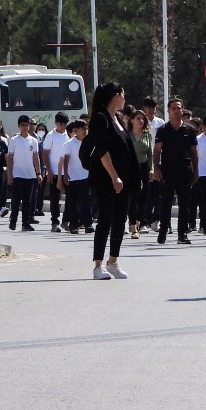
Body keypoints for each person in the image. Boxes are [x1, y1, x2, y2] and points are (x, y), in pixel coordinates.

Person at [87, 82, 138, 280]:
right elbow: (103, 150)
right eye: (123, 94)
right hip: (106, 178)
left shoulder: (118, 118)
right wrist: (114, 176)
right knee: (105, 219)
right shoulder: (101, 118)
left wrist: (133, 177)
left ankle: (113, 261)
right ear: (116, 96)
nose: (125, 98)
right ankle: (98, 265)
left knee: (119, 220)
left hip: (123, 180)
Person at [152, 98, 199, 245]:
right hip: (167, 171)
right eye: (173, 108)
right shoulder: (163, 130)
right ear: (168, 110)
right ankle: (163, 232)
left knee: (184, 204)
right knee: (165, 203)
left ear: (182, 110)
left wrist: (196, 171)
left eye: (179, 108)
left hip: (185, 170)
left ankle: (182, 234)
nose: (176, 110)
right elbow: (157, 151)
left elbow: (194, 152)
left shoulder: (189, 130)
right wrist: (156, 168)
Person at [7, 115, 43, 232]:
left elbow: (36, 157)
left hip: (30, 174)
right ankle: (13, 221)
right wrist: (9, 174)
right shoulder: (14, 140)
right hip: (17, 173)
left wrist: (38, 173)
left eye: (27, 125)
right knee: (16, 199)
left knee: (28, 200)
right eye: (23, 125)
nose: (25, 127)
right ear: (19, 126)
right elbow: (10, 158)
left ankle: (25, 223)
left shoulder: (34, 140)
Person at [59, 120, 92, 234]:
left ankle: (88, 224)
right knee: (73, 202)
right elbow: (66, 160)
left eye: (86, 128)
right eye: (83, 129)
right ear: (76, 130)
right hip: (72, 177)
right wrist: (65, 174)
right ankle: (74, 225)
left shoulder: (89, 142)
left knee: (86, 200)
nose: (85, 131)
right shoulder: (69, 144)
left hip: (86, 176)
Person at [41, 112, 72, 232]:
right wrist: (49, 170)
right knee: (54, 198)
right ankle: (55, 222)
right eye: (60, 124)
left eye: (64, 124)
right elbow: (45, 154)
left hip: (66, 171)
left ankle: (66, 220)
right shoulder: (50, 136)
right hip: (54, 171)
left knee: (70, 197)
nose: (62, 126)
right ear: (56, 123)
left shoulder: (68, 135)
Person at [127, 111, 152, 239]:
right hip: (131, 168)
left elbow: (150, 153)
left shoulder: (147, 134)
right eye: (138, 118)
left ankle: (139, 223)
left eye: (143, 119)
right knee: (133, 197)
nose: (141, 121)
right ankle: (133, 226)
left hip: (143, 167)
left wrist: (152, 169)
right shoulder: (127, 134)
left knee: (143, 197)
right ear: (132, 120)